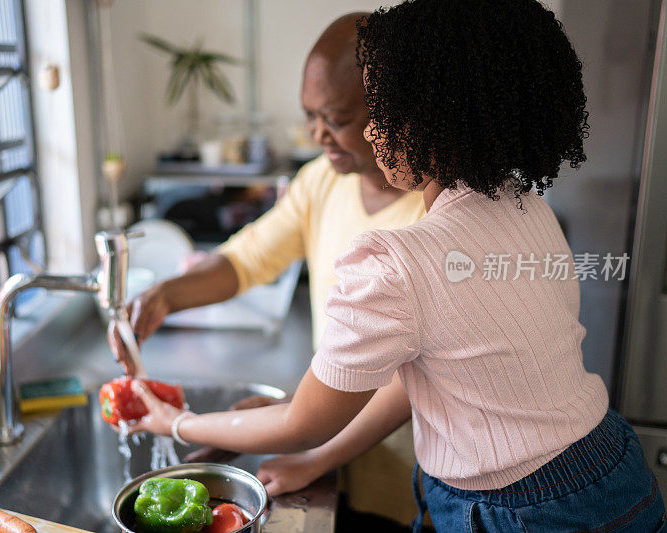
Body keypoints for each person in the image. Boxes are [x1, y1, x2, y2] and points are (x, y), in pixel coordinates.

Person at [122, 0, 666, 531]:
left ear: (437, 118)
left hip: (520, 512)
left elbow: (304, 424)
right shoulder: (525, 204)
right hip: (609, 464)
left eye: (380, 112)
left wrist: (179, 422)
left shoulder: (397, 262)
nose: (372, 132)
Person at [110, 13, 427, 528]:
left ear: (391, 111)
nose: (318, 133)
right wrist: (165, 296)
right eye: (310, 115)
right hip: (330, 445)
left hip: (411, 474)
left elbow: (407, 385)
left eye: (337, 117)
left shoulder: (434, 214)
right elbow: (248, 257)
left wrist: (316, 451)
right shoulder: (322, 181)